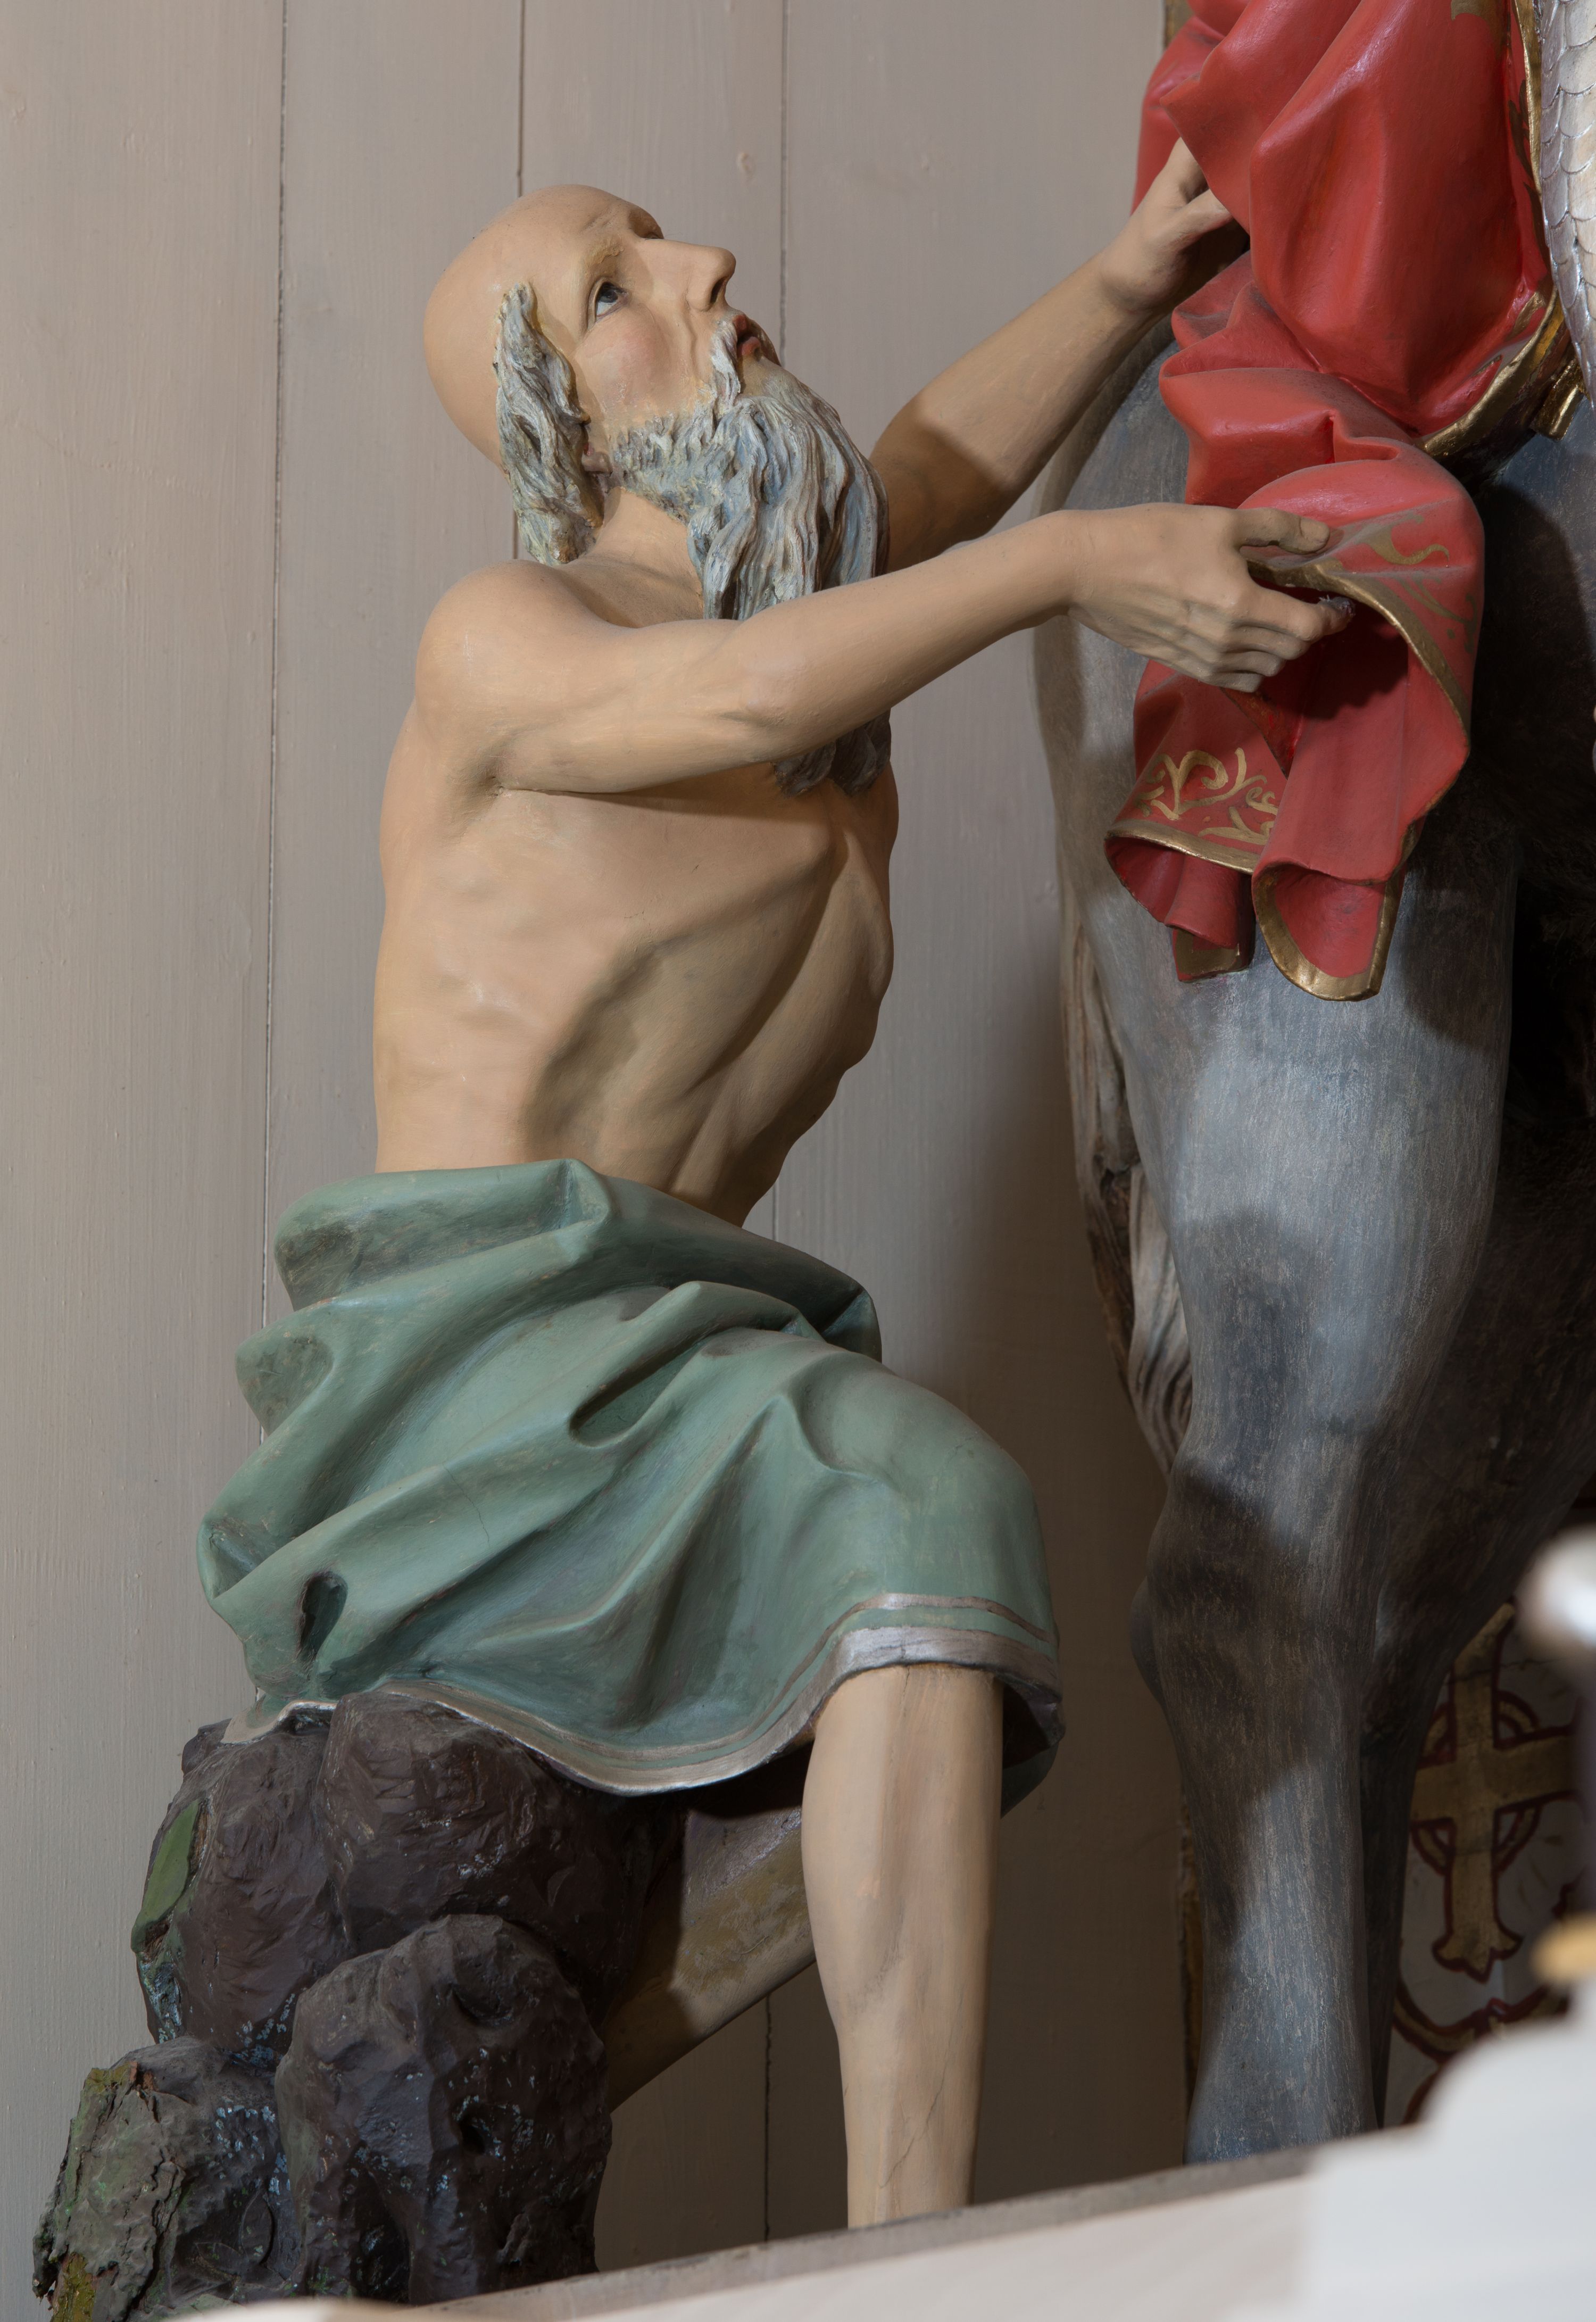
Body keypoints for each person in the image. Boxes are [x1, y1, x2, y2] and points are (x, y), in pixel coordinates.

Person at [201, 142, 1345, 2230]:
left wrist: (1132, 274)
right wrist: (1079, 565)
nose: (705, 266)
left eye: (663, 241)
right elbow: (755, 684)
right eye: (618, 286)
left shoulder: (799, 605)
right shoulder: (511, 639)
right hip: (470, 1364)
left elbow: (923, 476)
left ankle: (905, 2235)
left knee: (907, 1531)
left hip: (668, 1340)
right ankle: (909, 2246)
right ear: (563, 431)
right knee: (915, 1491)